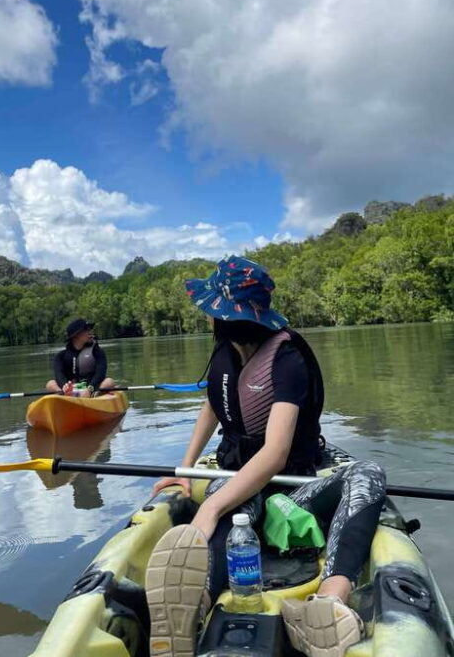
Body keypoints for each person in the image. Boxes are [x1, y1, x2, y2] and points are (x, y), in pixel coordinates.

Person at [145, 256, 386, 657]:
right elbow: (214, 405)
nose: (206, 317)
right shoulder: (225, 353)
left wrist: (208, 509)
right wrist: (184, 470)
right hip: (240, 483)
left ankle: (329, 602)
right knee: (235, 498)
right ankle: (194, 604)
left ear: (224, 316)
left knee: (369, 474)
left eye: (210, 311)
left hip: (294, 490)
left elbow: (275, 455)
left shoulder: (287, 360)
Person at [45, 318, 116, 398]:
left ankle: (95, 396)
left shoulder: (98, 352)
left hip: (92, 387)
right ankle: (65, 396)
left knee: (109, 382)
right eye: (86, 330)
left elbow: (100, 373)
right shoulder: (60, 356)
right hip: (71, 389)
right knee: (50, 384)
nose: (90, 332)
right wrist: (65, 387)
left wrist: (90, 388)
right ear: (75, 335)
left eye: (90, 329)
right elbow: (59, 375)